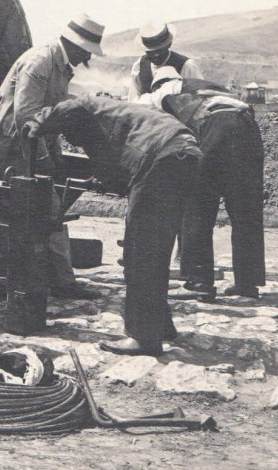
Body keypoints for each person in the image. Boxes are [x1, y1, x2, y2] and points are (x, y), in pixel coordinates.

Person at [27, 96, 201, 356]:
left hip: (161, 158)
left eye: (65, 133)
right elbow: (114, 170)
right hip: (186, 155)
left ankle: (143, 338)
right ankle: (161, 325)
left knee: (139, 250)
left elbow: (67, 109)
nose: (69, 140)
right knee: (156, 248)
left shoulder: (83, 107)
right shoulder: (110, 117)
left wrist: (33, 127)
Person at [0, 14, 106, 300]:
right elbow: (26, 116)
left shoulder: (60, 63)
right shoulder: (41, 61)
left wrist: (54, 153)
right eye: (86, 52)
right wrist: (42, 159)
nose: (86, 58)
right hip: (13, 147)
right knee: (47, 210)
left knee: (33, 213)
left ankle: (27, 276)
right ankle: (62, 282)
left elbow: (50, 115)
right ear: (75, 46)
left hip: (30, 144)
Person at [141, 67, 266, 301]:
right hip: (248, 129)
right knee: (245, 210)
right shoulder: (209, 88)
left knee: (197, 208)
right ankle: (247, 283)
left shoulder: (165, 91)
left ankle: (200, 282)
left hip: (218, 128)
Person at [127, 22, 204, 101]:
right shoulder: (139, 66)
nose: (155, 55)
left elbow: (200, 97)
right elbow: (133, 99)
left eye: (159, 50)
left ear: (169, 44)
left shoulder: (186, 66)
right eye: (150, 52)